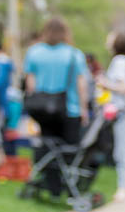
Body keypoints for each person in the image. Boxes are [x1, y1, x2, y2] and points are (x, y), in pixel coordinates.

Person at [24, 17, 89, 145]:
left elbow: (31, 84)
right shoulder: (74, 54)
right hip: (70, 109)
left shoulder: (34, 52)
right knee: (69, 150)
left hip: (43, 109)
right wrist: (84, 109)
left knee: (48, 147)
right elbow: (81, 84)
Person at [99, 32, 125, 201]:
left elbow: (123, 87)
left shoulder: (120, 61)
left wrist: (104, 83)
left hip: (124, 112)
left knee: (124, 150)